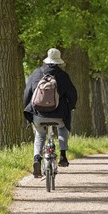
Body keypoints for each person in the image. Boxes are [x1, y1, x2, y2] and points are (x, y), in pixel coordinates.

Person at [24, 48, 78, 178]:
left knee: (40, 135)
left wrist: (27, 108)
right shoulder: (63, 76)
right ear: (58, 61)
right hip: (58, 115)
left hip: (38, 114)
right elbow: (72, 94)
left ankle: (37, 158)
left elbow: (27, 93)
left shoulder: (36, 73)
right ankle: (63, 156)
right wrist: (70, 107)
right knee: (62, 128)